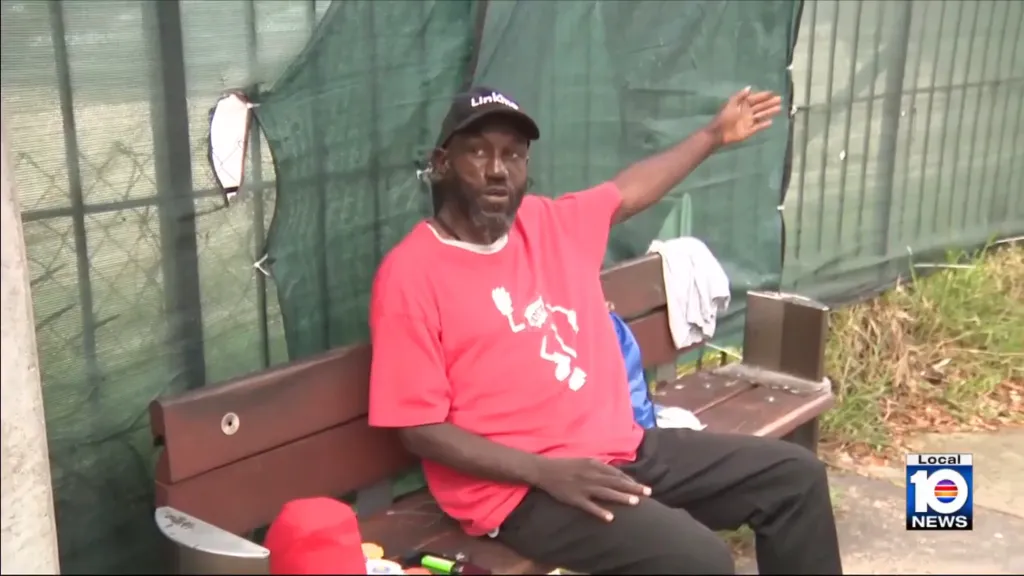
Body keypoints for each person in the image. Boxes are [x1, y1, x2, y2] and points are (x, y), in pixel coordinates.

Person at [367, 85, 842, 575]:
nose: (497, 169)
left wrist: (713, 135)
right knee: (698, 562)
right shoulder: (411, 274)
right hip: (521, 490)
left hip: (621, 450)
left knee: (794, 478)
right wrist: (544, 472)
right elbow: (419, 429)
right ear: (442, 163)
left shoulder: (549, 223)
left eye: (513, 155)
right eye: (478, 151)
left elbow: (630, 191)